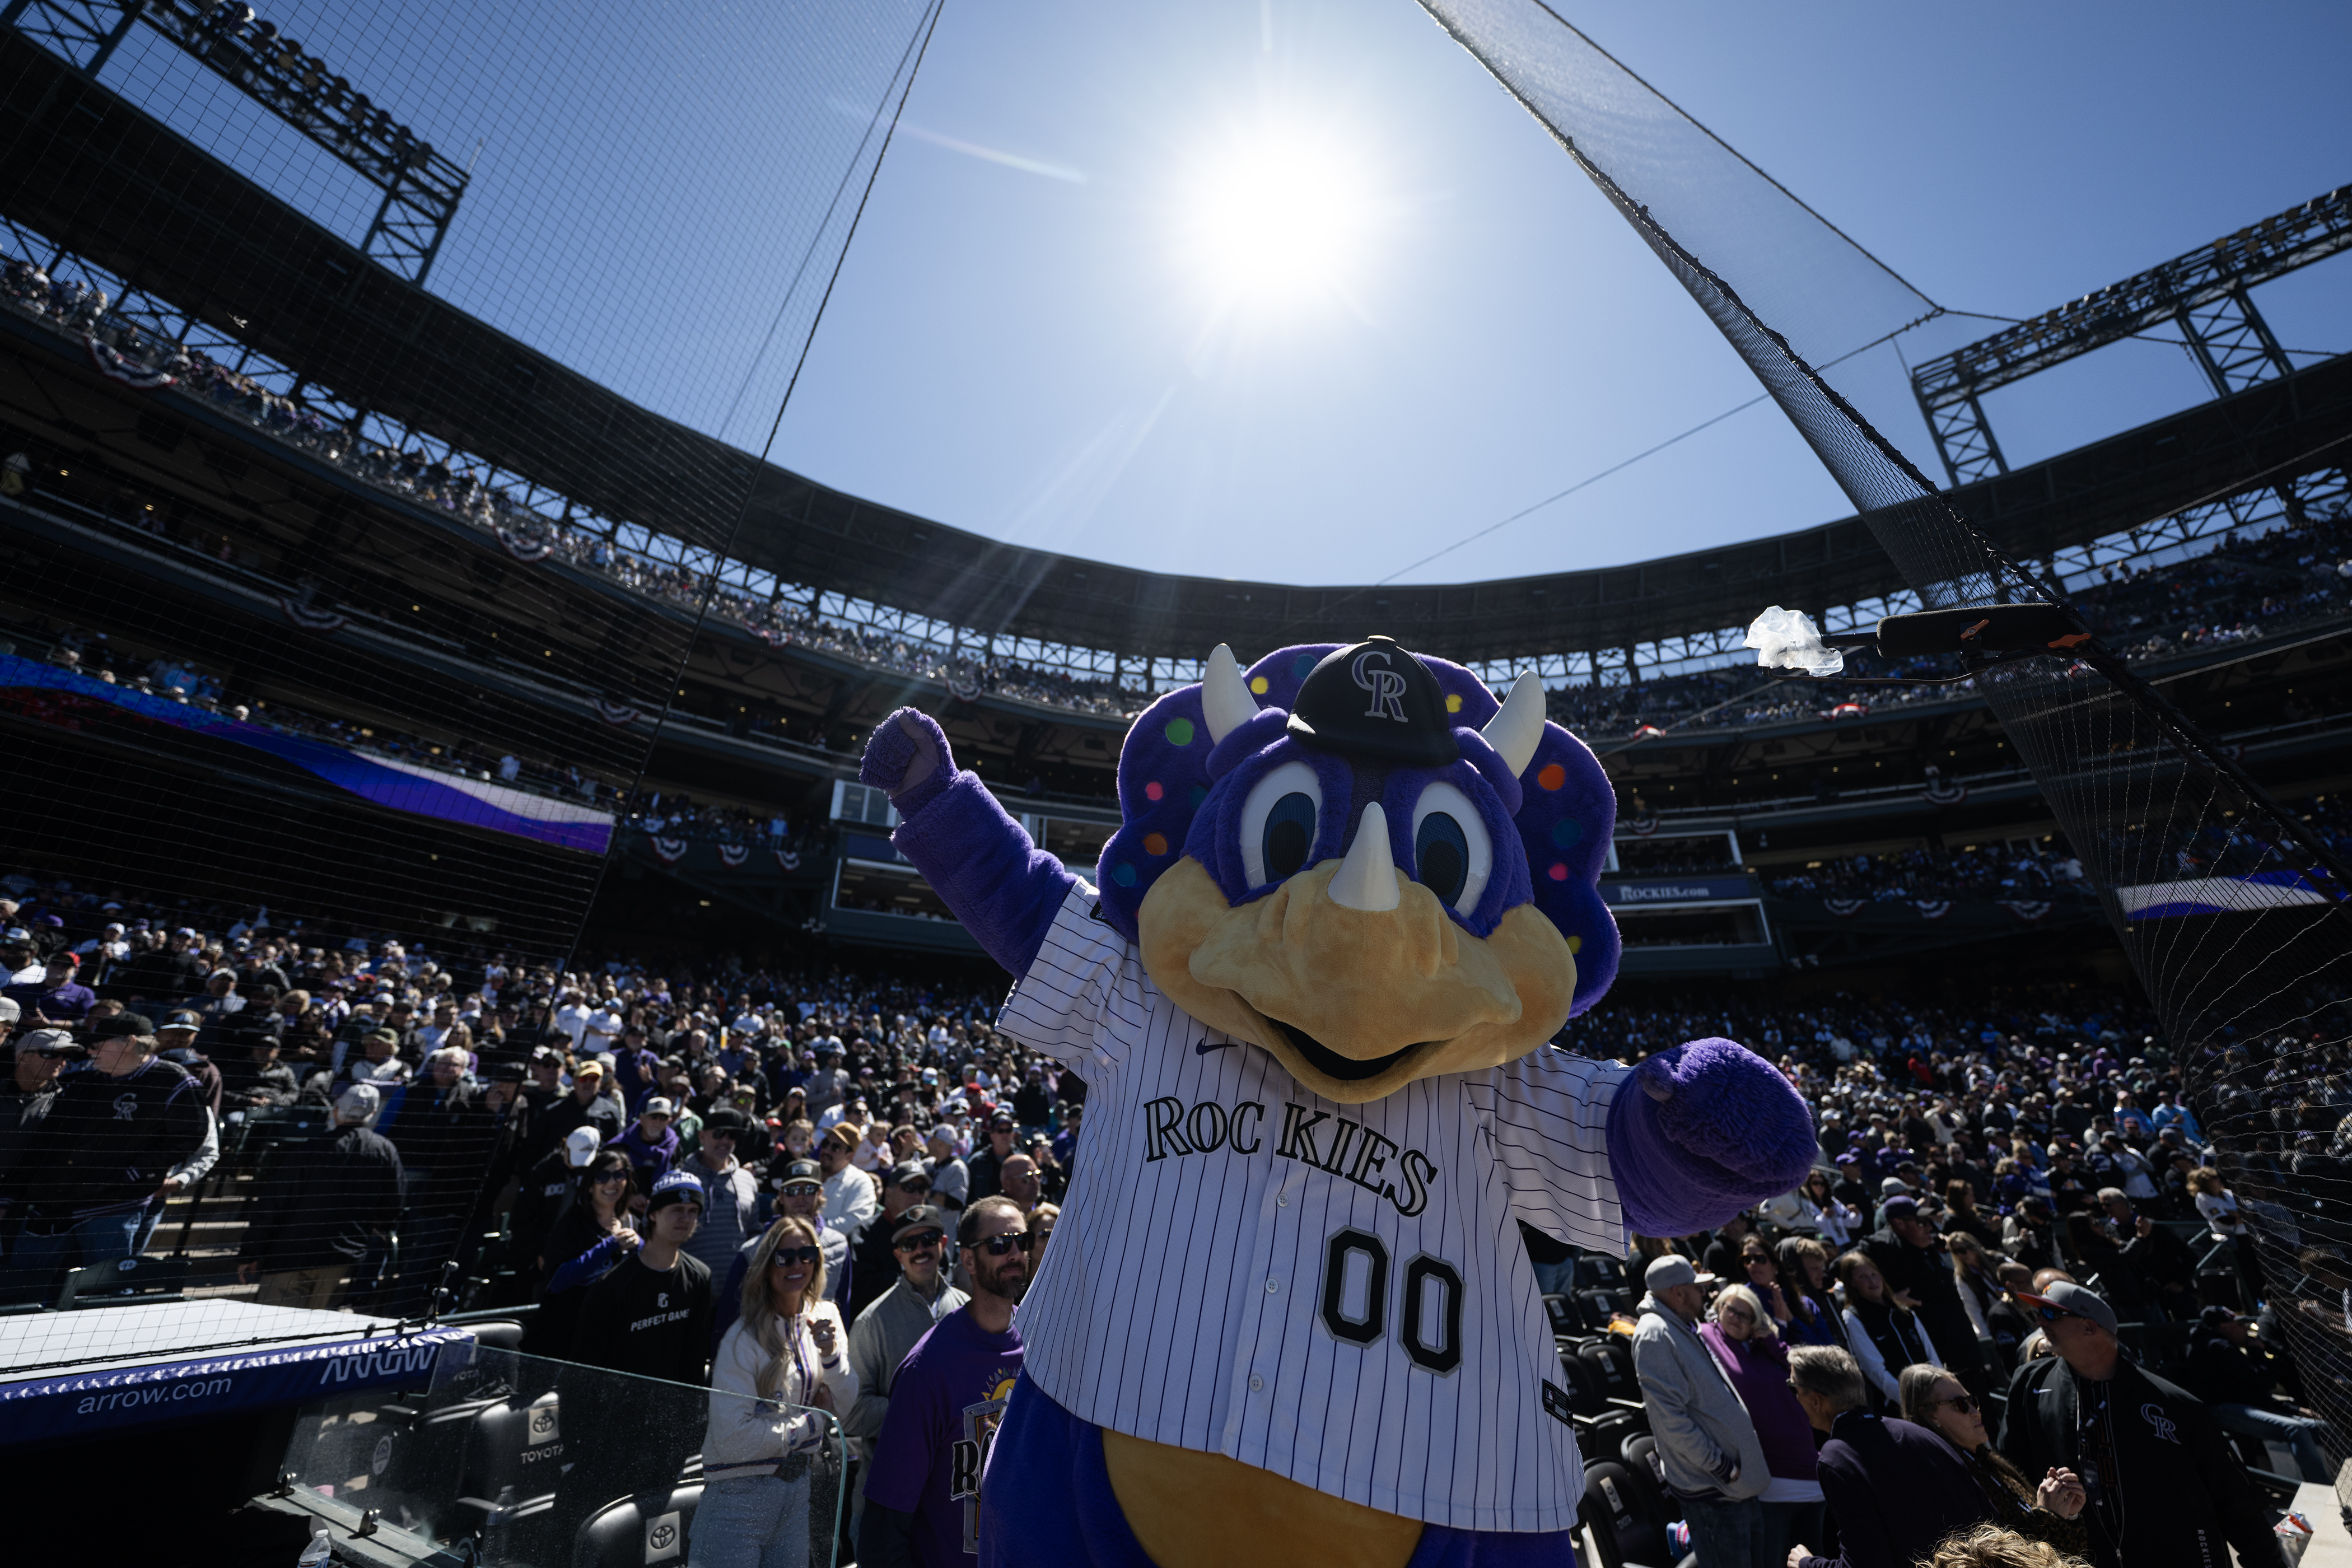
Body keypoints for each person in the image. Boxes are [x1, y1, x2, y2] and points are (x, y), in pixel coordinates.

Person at [1998, 1281, 2286, 1568]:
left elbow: (2236, 1499)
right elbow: (2010, 1472)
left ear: (2089, 1328)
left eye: (2050, 1315)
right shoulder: (2029, 1384)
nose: (2038, 1321)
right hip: (2084, 1558)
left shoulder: (2173, 1403)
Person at [860, 1196, 1030, 1568]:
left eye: (1022, 1240)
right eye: (1000, 1244)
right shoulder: (927, 1369)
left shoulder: (1042, 1344)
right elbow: (885, 1521)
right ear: (968, 1259)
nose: (1015, 1253)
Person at [0, 1011, 207, 1303]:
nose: (90, 1051)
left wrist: (134, 1174)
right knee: (19, 1290)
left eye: (98, 1045)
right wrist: (11, 1195)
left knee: (105, 1298)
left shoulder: (174, 1082)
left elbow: (189, 1137)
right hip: (51, 1206)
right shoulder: (81, 1082)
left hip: (113, 1208)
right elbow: (44, 1145)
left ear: (129, 1043)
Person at [694, 1215, 858, 1568]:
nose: (797, 1264)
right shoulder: (743, 1337)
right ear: (767, 1267)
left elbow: (845, 1405)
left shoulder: (825, 1315)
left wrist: (830, 1355)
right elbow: (734, 1439)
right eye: (785, 1257)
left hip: (798, 1488)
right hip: (737, 1494)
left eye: (807, 1254)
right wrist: (814, 1422)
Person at [1785, 1345, 1991, 1568]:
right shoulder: (1918, 1434)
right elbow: (1991, 1522)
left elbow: (1866, 1564)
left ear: (1816, 1400)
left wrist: (1806, 1564)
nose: (1795, 1398)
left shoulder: (1836, 1459)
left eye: (1794, 1388)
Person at [1632, 1255, 1771, 1565]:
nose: (1704, 1295)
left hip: (1732, 1488)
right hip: (1715, 1492)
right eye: (1696, 1289)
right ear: (1678, 1293)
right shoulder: (1655, 1334)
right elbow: (1671, 1421)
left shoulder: (1678, 1323)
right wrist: (1723, 1467)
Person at [236, 1082, 404, 1309]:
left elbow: (273, 1204)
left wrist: (251, 1252)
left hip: (291, 1255)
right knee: (311, 1335)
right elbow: (393, 1206)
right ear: (373, 1113)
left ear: (335, 1109)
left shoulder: (310, 1149)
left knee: (272, 1330)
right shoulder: (385, 1151)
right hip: (340, 1258)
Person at [1897, 1363, 2088, 1556]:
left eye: (1972, 1401)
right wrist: (2048, 1515)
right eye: (1960, 1404)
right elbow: (2001, 1558)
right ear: (1931, 1417)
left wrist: (2067, 1513)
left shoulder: (1987, 1462)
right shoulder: (1950, 1482)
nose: (1976, 1412)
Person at [1701, 1282, 1824, 1554]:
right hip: (1771, 1478)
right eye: (1730, 1310)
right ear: (1718, 1309)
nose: (1735, 1317)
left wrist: (1771, 1341)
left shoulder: (1766, 1348)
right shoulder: (1708, 1336)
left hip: (1809, 1470)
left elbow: (1805, 1372)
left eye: (1745, 1315)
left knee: (1815, 1557)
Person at [567, 1168, 715, 1383]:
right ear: (653, 1214)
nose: (686, 1218)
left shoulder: (699, 1277)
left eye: (693, 1211)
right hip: (619, 1408)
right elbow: (585, 1366)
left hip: (671, 1408)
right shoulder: (612, 1286)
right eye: (677, 1209)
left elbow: (695, 1355)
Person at [2185, 1304, 2336, 1483]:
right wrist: (2256, 1351)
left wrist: (2292, 1409)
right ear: (2225, 1326)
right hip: (2222, 1410)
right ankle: (2324, 1489)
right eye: (2240, 1324)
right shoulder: (2217, 1347)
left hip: (2244, 1405)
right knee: (2295, 1429)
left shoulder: (2219, 1344)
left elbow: (2253, 1391)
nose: (2245, 1328)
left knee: (2326, 1428)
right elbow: (2264, 1381)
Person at [1861, 1195, 1983, 1395]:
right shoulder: (1882, 1246)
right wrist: (1888, 1297)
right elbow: (1843, 1266)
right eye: (1920, 1222)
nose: (1929, 1227)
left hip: (1964, 1351)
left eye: (1928, 1221)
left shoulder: (1926, 1245)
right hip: (1937, 1359)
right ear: (1898, 1224)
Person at [528, 1148, 636, 1359]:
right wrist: (610, 1245)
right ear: (589, 1185)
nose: (611, 1182)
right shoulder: (570, 1225)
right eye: (603, 1176)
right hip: (564, 1337)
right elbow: (559, 1280)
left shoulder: (632, 1224)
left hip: (610, 1336)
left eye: (620, 1175)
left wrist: (639, 1246)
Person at [1836, 1250, 1937, 1410]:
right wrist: (1911, 1402)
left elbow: (1932, 1355)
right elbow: (1875, 1370)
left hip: (1934, 1398)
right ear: (1851, 1282)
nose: (1872, 1281)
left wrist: (1941, 1391)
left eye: (1874, 1274)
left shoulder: (1904, 1312)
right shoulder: (1854, 1317)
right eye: (1863, 1277)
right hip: (1899, 1406)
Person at [680, 1107, 764, 1283]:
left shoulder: (747, 1180)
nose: (725, 1141)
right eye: (719, 1133)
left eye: (732, 1135)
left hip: (736, 1291)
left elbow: (753, 1232)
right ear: (702, 1136)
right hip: (688, 1287)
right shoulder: (680, 1179)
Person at [1776, 1236, 1846, 1348]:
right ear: (1795, 1270)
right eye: (1814, 1269)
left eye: (1822, 1268)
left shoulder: (1828, 1299)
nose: (1822, 1274)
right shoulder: (1788, 1306)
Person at [820, 1122, 879, 1243]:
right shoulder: (809, 1172)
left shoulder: (860, 1181)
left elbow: (855, 1223)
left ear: (850, 1156)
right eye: (826, 1144)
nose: (827, 1150)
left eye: (835, 1148)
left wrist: (814, 1227)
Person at [923, 1124, 969, 1211]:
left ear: (940, 1144)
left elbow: (957, 1203)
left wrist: (930, 1193)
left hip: (943, 1224)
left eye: (932, 1139)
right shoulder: (928, 1163)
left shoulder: (957, 1168)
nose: (928, 1142)